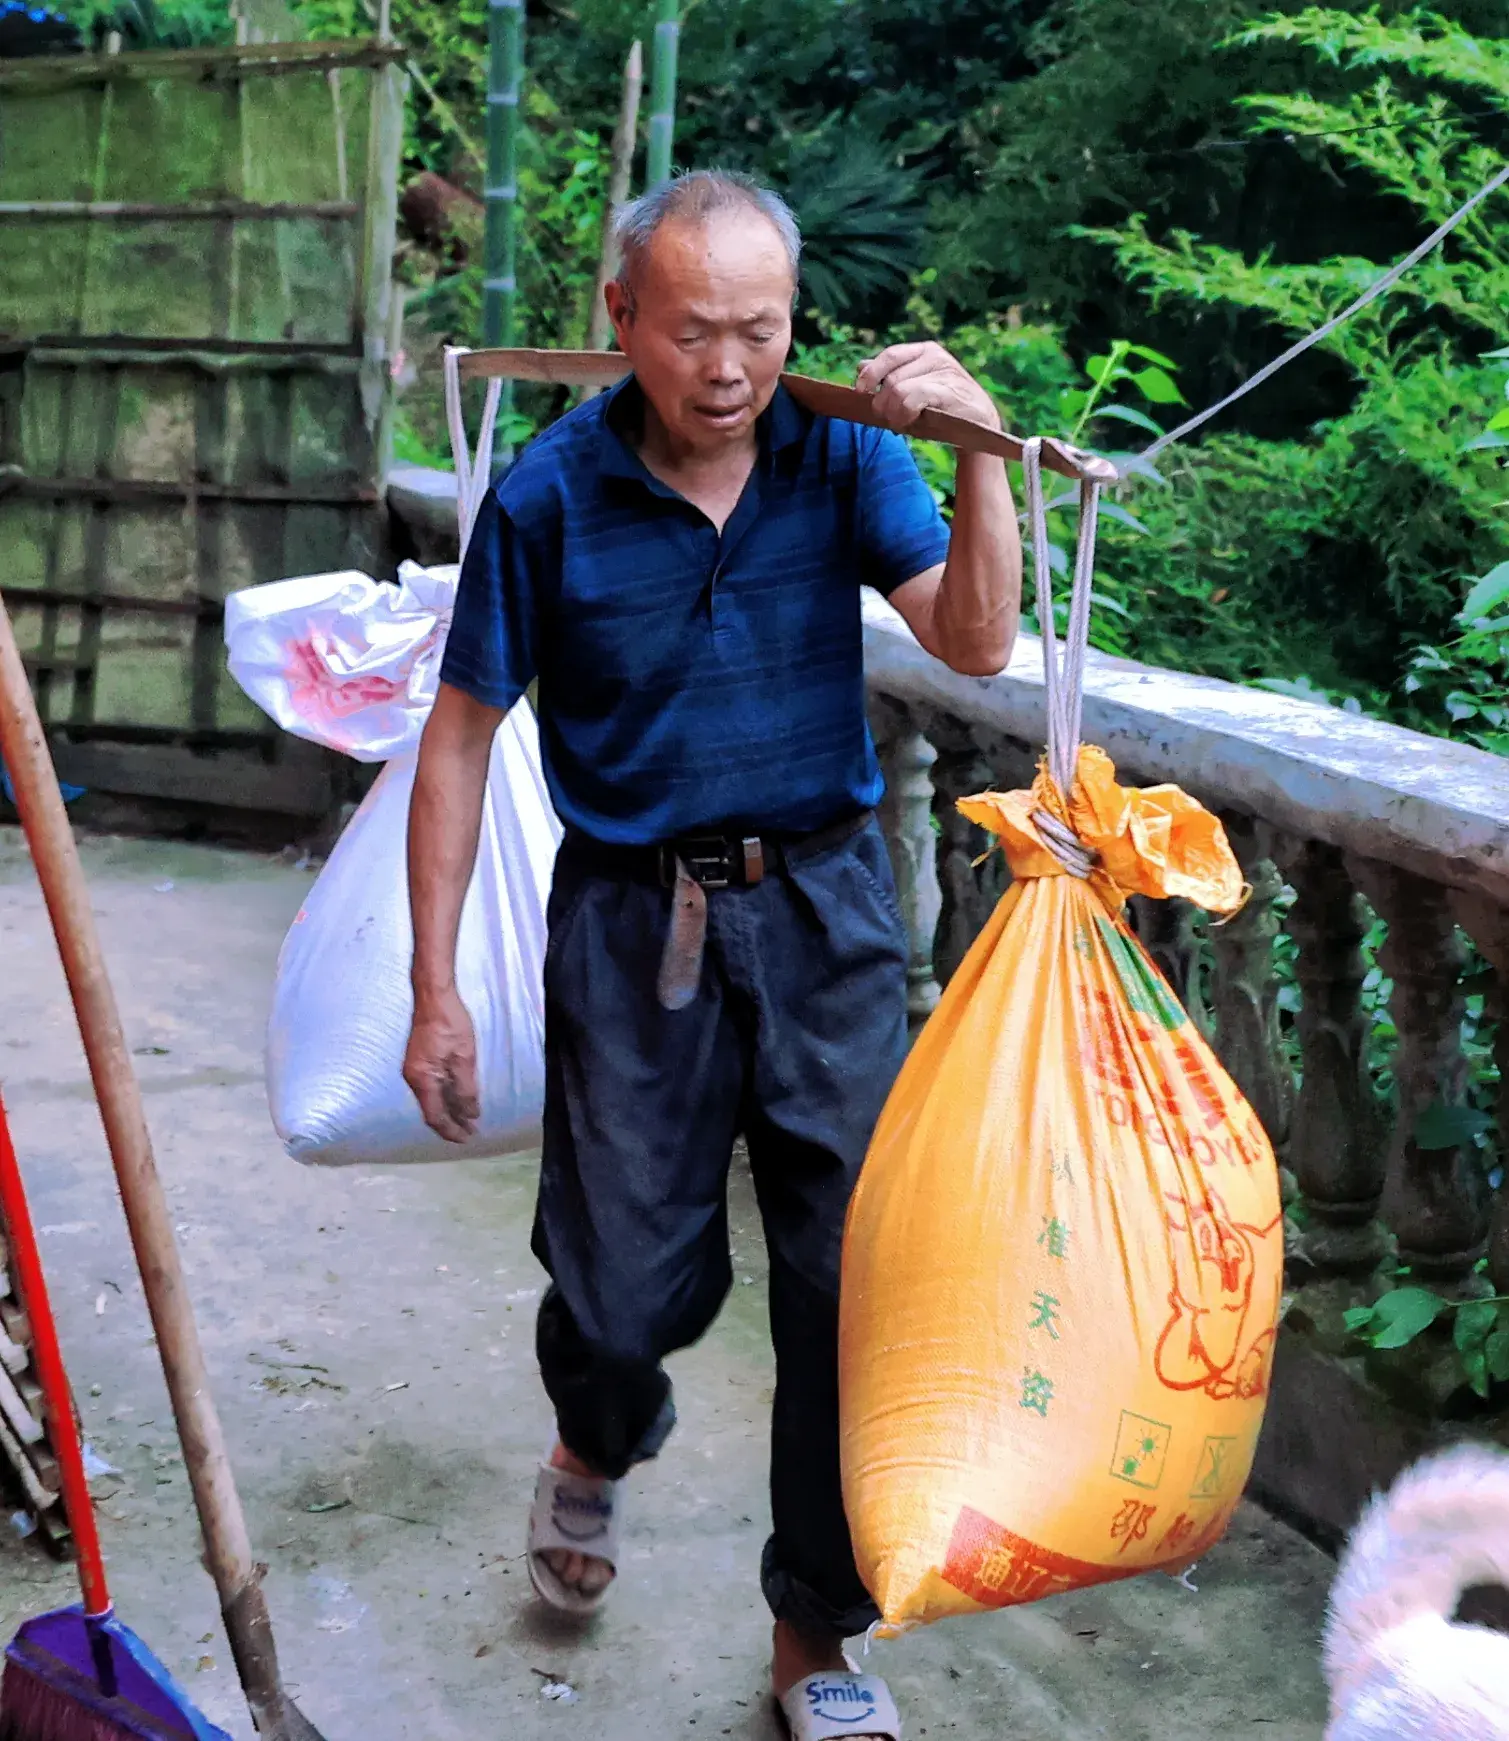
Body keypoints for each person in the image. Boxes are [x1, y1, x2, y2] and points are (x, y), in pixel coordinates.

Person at [402, 169, 1021, 1740]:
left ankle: (815, 1637)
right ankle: (597, 1440)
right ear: (624, 322)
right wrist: (434, 987)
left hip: (824, 918)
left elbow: (973, 639)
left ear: (793, 326)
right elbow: (461, 739)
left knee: (844, 1284)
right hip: (630, 925)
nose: (730, 367)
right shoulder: (550, 494)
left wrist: (982, 456)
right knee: (617, 1289)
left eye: (760, 330)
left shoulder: (839, 454)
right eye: (693, 333)